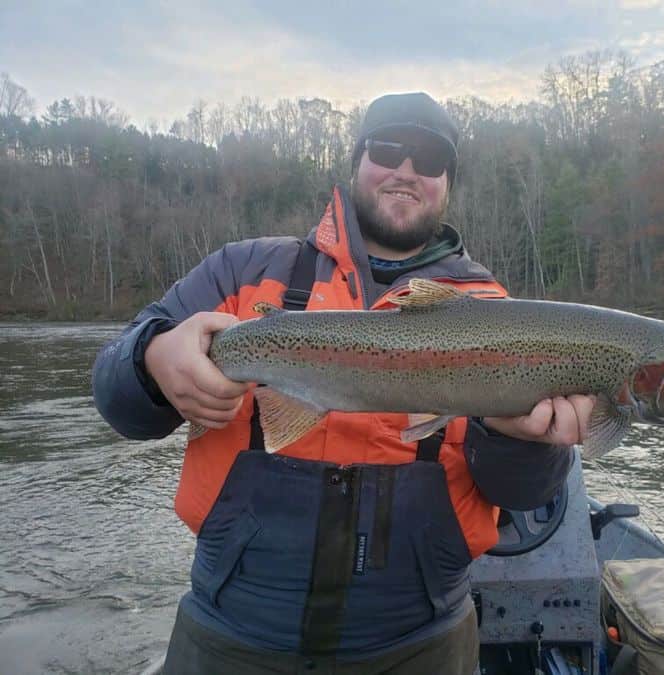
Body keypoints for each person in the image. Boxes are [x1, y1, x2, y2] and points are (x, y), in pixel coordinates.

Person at [92, 92, 596, 675]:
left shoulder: (499, 316)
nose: (406, 170)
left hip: (420, 642)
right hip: (230, 634)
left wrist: (528, 442)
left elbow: (523, 494)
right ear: (356, 163)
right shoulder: (243, 271)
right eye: (388, 149)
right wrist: (152, 359)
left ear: (448, 183)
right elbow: (116, 400)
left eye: (430, 158)